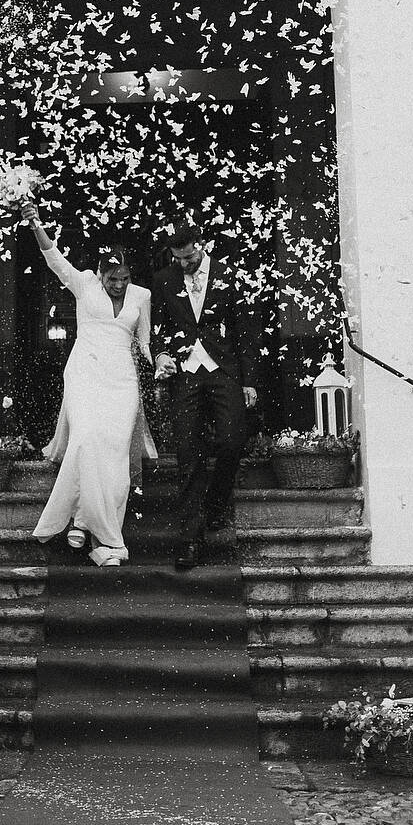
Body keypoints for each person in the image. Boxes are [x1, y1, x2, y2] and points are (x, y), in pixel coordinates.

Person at [22, 200, 155, 566]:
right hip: (85, 371)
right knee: (85, 439)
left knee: (112, 452)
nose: (119, 285)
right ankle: (87, 522)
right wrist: (35, 225)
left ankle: (86, 522)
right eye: (112, 279)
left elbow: (143, 341)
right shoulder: (82, 282)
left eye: (124, 279)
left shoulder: (141, 296)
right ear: (100, 273)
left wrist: (158, 362)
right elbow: (53, 259)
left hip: (122, 379)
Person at [150, 222, 262, 571]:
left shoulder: (229, 275)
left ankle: (215, 506)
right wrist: (161, 355)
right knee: (188, 453)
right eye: (178, 259)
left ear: (200, 246)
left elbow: (246, 330)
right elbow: (157, 328)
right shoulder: (164, 279)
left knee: (232, 440)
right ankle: (190, 540)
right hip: (185, 374)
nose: (183, 264)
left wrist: (250, 380)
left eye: (188, 257)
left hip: (224, 370)